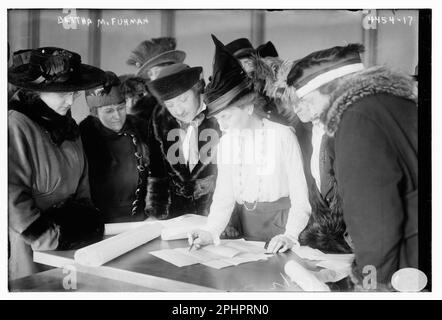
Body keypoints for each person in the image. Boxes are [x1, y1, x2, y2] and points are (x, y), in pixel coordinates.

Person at [284, 44, 418, 288]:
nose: (302, 107)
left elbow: (375, 221)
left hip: (403, 267)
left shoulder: (356, 119)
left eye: (305, 97)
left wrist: (366, 282)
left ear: (330, 88)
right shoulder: (390, 104)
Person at [188, 35, 311, 253]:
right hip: (246, 228)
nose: (222, 126)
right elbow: (224, 196)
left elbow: (301, 198)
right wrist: (211, 230)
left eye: (226, 117)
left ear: (248, 108)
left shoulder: (282, 136)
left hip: (282, 226)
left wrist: (290, 235)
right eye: (218, 120)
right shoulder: (226, 143)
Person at [8, 47, 106, 279]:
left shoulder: (67, 125)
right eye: (63, 94)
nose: (71, 101)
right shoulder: (16, 125)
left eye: (74, 93)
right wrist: (51, 238)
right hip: (33, 247)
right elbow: (11, 199)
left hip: (72, 244)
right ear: (36, 92)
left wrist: (86, 227)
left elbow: (83, 186)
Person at [145, 63, 221, 219]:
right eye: (170, 105)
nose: (178, 110)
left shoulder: (221, 113)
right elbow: (157, 170)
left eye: (183, 99)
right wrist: (156, 212)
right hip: (177, 215)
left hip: (218, 212)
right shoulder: (160, 117)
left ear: (198, 88)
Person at [79, 72, 150, 223]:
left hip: (141, 222)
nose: (117, 116)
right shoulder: (82, 139)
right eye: (109, 111)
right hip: (100, 226)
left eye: (121, 108)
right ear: (95, 113)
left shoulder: (142, 130)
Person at [125, 37, 186, 120]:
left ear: (169, 69)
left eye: (157, 71)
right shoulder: (145, 109)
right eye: (150, 74)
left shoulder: (187, 89)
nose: (153, 78)